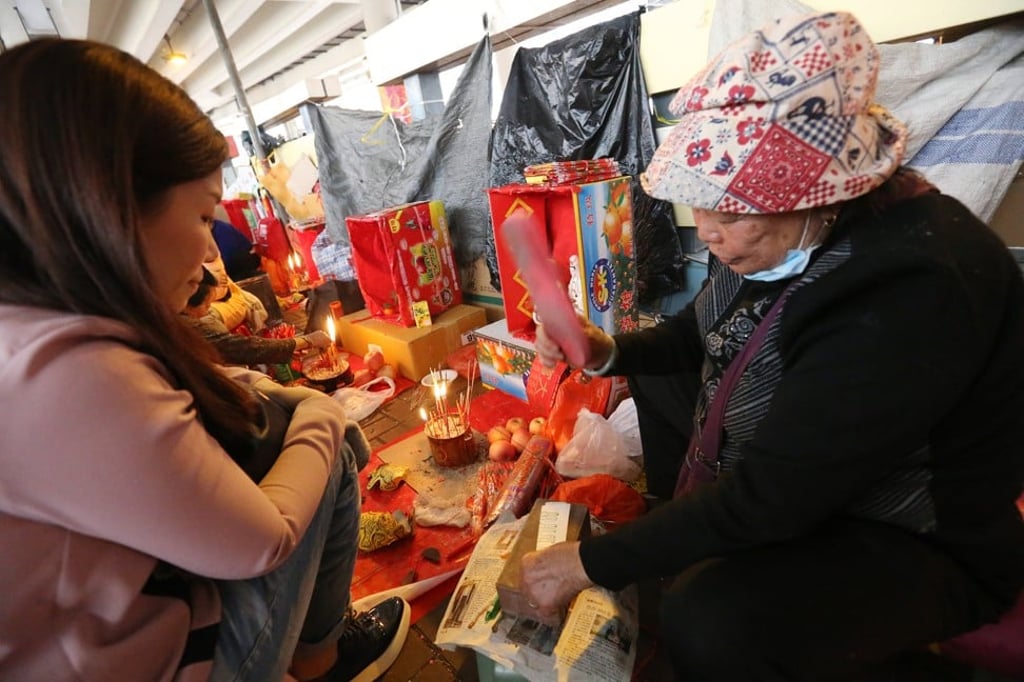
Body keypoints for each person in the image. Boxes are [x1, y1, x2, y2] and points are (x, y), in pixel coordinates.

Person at [521, 11, 1024, 680]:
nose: (707, 235)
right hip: (816, 467)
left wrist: (585, 564)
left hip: (918, 534)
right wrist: (604, 352)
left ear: (818, 194)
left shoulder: (911, 285)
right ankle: (684, 528)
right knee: (662, 376)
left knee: (711, 621)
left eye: (729, 211)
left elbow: (771, 498)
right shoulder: (791, 240)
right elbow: (698, 334)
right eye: (702, 207)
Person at [0, 38, 409, 682]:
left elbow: (193, 389)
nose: (206, 253)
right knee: (325, 460)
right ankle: (321, 660)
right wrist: (324, 414)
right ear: (112, 210)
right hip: (148, 656)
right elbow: (265, 541)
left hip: (113, 617)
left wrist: (272, 391)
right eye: (202, 215)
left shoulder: (29, 325)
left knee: (288, 427)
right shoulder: (67, 374)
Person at [184, 265, 331, 367]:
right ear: (186, 303)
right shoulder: (186, 324)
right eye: (206, 305)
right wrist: (306, 341)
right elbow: (238, 347)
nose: (208, 309)